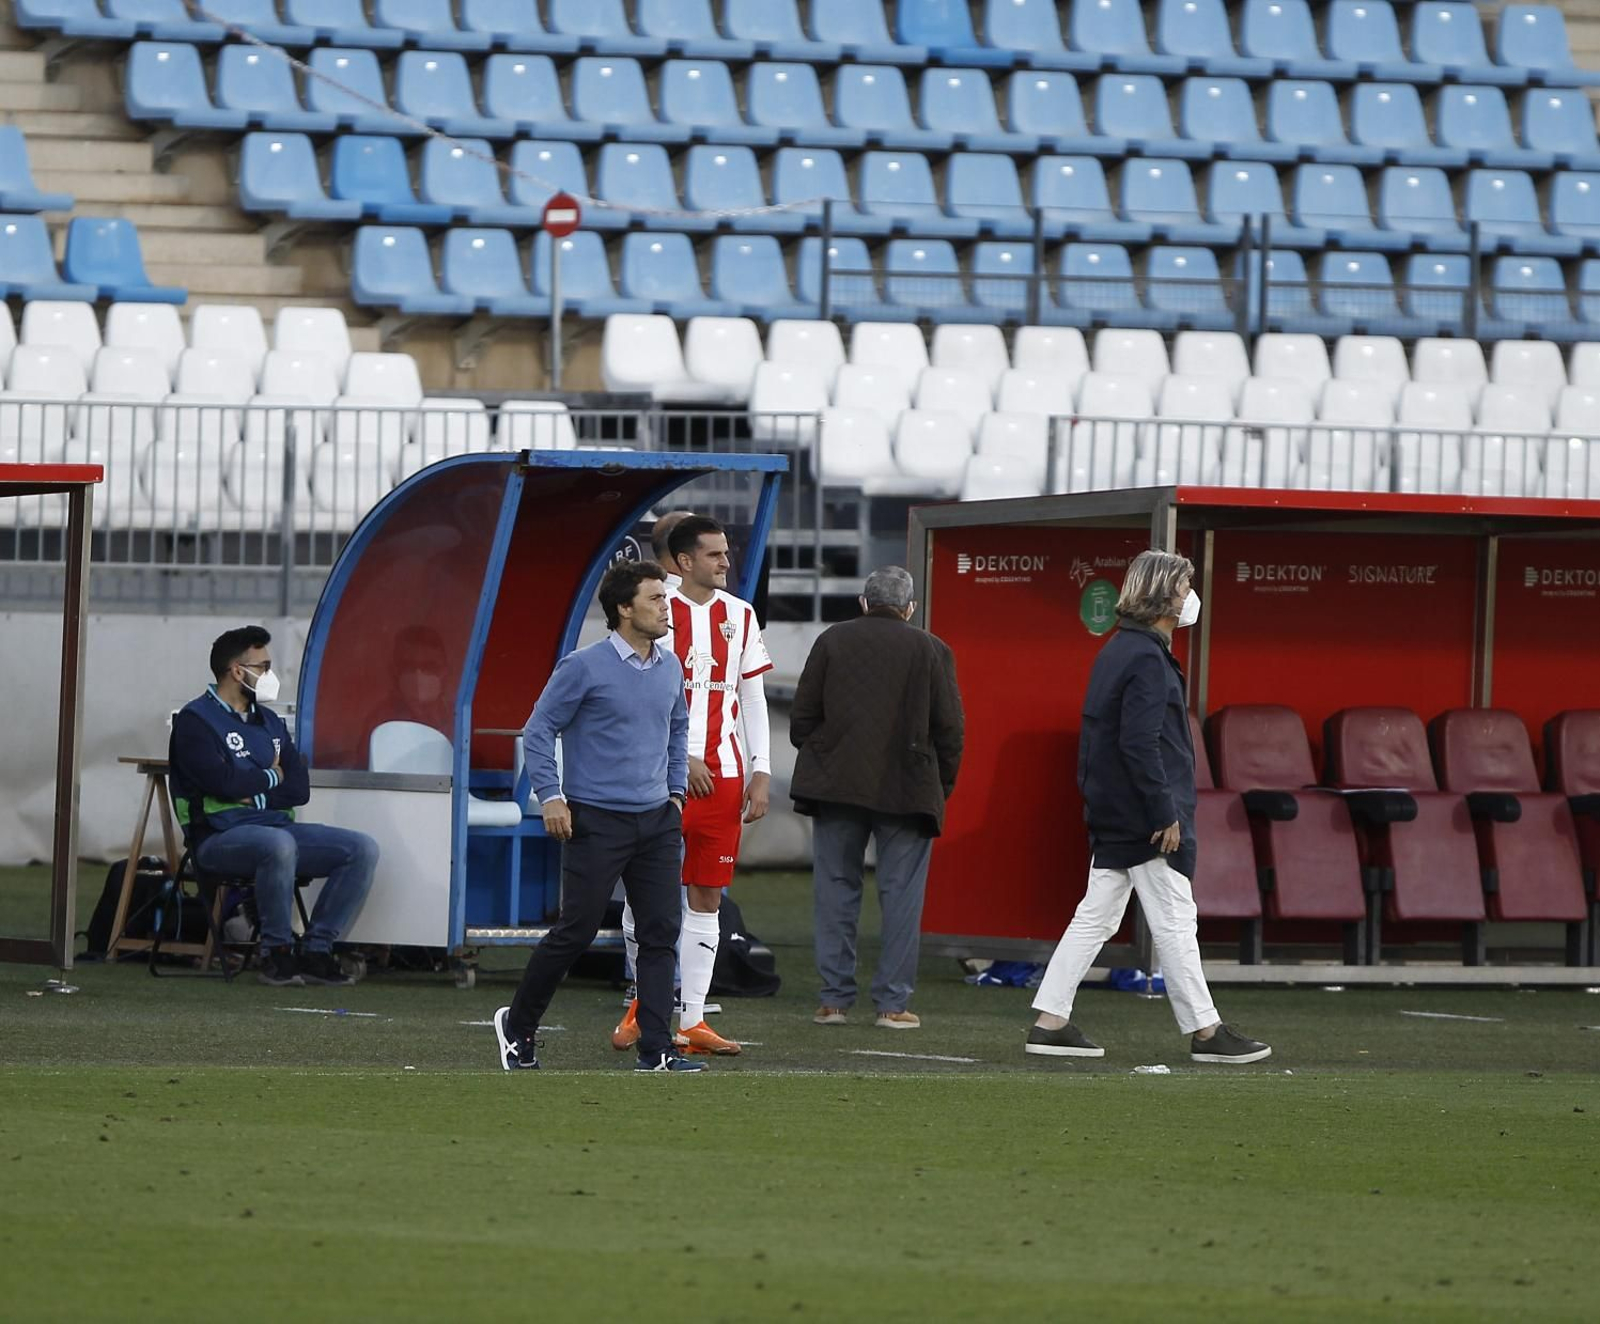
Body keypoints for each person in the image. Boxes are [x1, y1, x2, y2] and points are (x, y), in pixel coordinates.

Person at [1025, 550, 1272, 1065]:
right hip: (1144, 817)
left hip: (1116, 810)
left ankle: (1050, 1019)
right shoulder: (1145, 658)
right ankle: (1206, 1032)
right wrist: (1164, 812)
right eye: (1184, 587)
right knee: (1177, 919)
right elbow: (1141, 744)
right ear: (1163, 595)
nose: (1190, 598)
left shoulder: (1121, 650)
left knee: (1096, 916)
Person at [494, 560, 700, 1073]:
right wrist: (552, 796)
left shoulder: (671, 666)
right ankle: (517, 1026)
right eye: (655, 599)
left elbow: (678, 731)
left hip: (657, 820)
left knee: (659, 935)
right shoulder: (583, 666)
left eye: (665, 598)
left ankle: (656, 1049)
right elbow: (539, 730)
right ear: (624, 609)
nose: (666, 607)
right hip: (595, 821)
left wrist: (675, 795)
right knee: (576, 931)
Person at [612, 515, 772, 1057]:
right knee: (647, 893)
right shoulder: (656, 612)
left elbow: (750, 696)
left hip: (724, 777)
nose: (726, 562)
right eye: (714, 554)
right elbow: (635, 694)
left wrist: (761, 768)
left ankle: (694, 1019)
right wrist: (680, 756)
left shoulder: (741, 615)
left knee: (708, 893)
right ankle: (640, 1004)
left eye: (726, 553)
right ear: (683, 562)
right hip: (660, 777)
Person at [791, 566, 964, 1029]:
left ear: (863, 602)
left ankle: (833, 1001)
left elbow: (802, 716)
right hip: (908, 787)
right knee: (901, 897)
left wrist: (825, 753)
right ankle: (892, 1004)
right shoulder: (931, 648)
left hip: (836, 784)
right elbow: (950, 730)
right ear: (909, 608)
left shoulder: (832, 640)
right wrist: (940, 785)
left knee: (835, 890)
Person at [168, 626, 377, 988]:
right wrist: (269, 777)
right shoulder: (195, 722)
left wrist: (254, 789)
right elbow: (222, 784)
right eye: (263, 667)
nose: (270, 675)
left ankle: (315, 951)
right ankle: (276, 953)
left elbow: (298, 788)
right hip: (218, 836)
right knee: (279, 847)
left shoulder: (270, 722)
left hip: (277, 829)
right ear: (237, 671)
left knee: (360, 849)